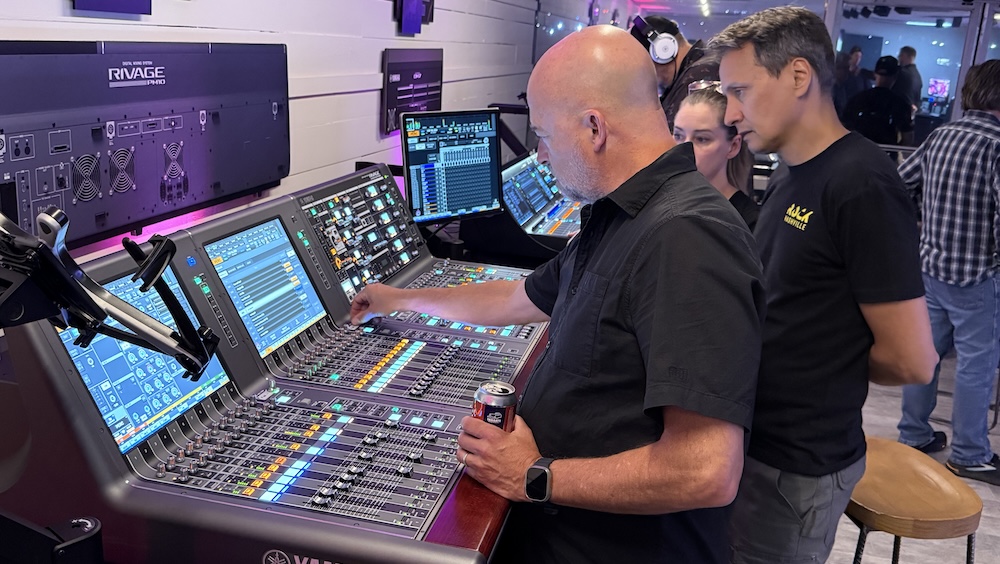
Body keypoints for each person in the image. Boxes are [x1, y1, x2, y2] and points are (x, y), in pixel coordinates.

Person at [352, 25, 766, 564]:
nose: (540, 157)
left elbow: (705, 470)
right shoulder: (622, 214)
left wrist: (535, 476)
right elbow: (516, 297)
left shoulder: (686, 237)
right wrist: (398, 300)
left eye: (544, 136)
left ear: (594, 127)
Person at [709, 7, 937, 563]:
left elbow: (913, 361)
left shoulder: (860, 184)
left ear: (798, 76)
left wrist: (826, 367)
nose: (731, 114)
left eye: (741, 90)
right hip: (753, 444)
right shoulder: (792, 170)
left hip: (794, 467)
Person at [896, 60, 1000, 485]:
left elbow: (898, 183)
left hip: (930, 268)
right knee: (978, 366)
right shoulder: (998, 145)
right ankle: (970, 453)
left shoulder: (940, 136)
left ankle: (914, 434)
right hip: (978, 276)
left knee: (925, 358)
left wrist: (920, 223)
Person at [672, 83, 759, 229]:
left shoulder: (750, 223)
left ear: (733, 146)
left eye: (701, 139)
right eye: (678, 135)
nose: (684, 149)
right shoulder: (661, 207)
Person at [630, 15, 719, 130]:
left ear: (663, 51)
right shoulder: (689, 72)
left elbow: (671, 137)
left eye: (644, 66)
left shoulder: (697, 79)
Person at [842, 55, 915, 148]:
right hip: (885, 156)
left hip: (858, 152)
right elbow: (908, 138)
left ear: (875, 74)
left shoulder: (858, 98)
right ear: (895, 77)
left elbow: (843, 127)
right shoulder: (900, 104)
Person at [893, 46, 923, 111]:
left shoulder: (901, 72)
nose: (898, 57)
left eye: (901, 55)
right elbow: (917, 100)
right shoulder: (918, 77)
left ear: (910, 57)